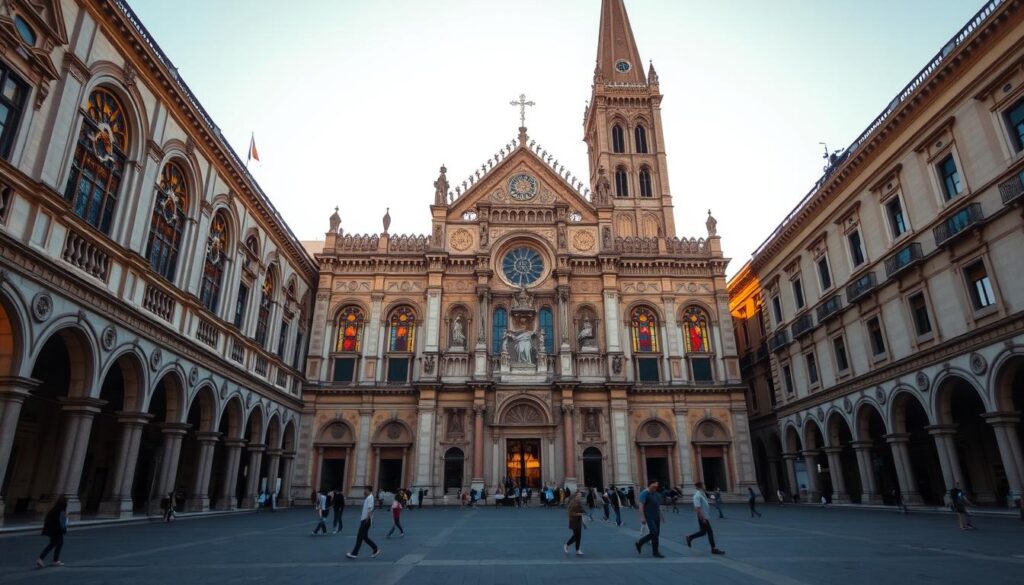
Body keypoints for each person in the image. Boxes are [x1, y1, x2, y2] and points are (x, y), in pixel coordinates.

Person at [686, 481, 725, 555]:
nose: (705, 486)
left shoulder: (703, 493)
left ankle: (690, 537)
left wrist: (715, 495)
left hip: (705, 516)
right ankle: (713, 548)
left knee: (703, 532)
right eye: (703, 485)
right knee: (710, 532)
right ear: (700, 486)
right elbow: (697, 508)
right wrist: (702, 518)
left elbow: (710, 496)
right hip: (703, 516)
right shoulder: (697, 495)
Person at [347, 486, 382, 559]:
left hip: (366, 520)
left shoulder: (370, 498)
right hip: (366, 519)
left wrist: (367, 519)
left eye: (365, 490)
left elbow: (369, 509)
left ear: (369, 490)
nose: (364, 491)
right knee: (364, 537)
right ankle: (375, 549)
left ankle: (354, 553)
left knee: (360, 537)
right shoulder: (369, 497)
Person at [634, 480, 664, 558]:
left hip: (656, 516)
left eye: (656, 486)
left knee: (656, 534)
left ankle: (655, 552)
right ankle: (640, 542)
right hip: (649, 516)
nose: (655, 488)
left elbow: (658, 505)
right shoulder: (644, 493)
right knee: (654, 532)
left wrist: (661, 515)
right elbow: (641, 506)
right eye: (654, 486)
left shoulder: (656, 494)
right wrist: (642, 517)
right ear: (649, 485)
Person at [36, 496, 68, 568]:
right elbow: (62, 522)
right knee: (57, 544)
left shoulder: (54, 510)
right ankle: (45, 559)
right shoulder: (61, 511)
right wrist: (64, 529)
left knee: (54, 544)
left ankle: (52, 560)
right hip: (57, 531)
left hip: (52, 531)